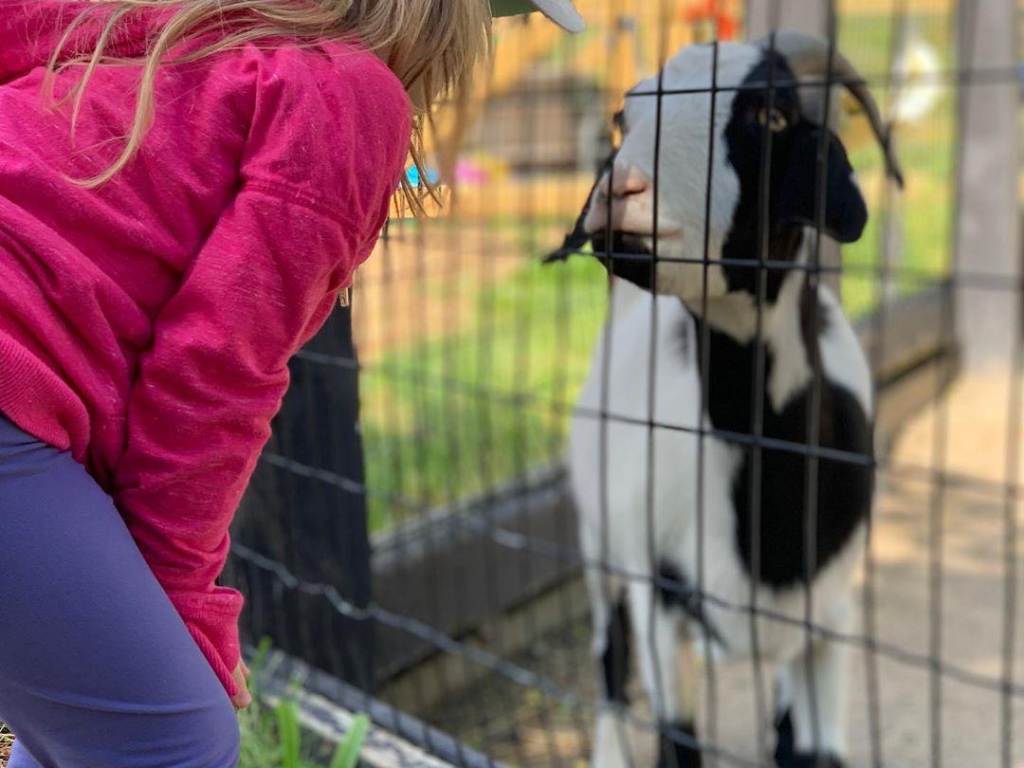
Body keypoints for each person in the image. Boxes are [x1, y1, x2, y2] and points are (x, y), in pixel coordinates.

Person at [0, 1, 582, 766]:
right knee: (172, 738)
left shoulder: (179, 27)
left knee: (99, 722)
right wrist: (184, 606)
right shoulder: (349, 97)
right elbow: (211, 380)